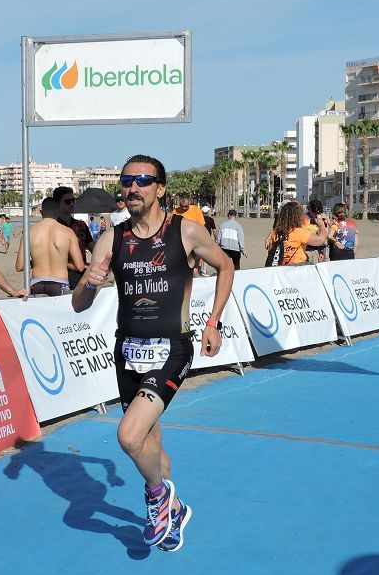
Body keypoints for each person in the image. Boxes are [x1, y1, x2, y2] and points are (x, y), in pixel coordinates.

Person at [72, 154, 234, 553]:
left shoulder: (187, 232)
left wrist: (213, 321)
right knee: (154, 452)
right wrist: (90, 284)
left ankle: (157, 498)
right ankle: (175, 508)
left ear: (160, 188)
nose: (133, 188)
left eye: (143, 181)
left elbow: (226, 267)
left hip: (171, 349)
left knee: (128, 436)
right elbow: (79, 304)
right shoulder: (112, 238)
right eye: (126, 181)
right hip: (126, 351)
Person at [16, 197, 86, 296]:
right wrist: (63, 262)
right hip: (59, 284)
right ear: (58, 211)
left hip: (36, 284)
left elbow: (20, 266)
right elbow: (80, 267)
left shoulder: (28, 232)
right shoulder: (68, 232)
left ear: (41, 212)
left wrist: (34, 262)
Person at [53, 186, 93, 288]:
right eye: (67, 201)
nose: (72, 204)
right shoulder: (52, 227)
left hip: (83, 275)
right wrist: (77, 266)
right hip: (60, 277)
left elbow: (92, 246)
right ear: (57, 204)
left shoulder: (81, 225)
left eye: (73, 200)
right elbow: (50, 258)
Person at [265, 201, 329, 265]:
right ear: (298, 216)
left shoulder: (275, 233)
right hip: (296, 266)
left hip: (280, 266)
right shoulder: (299, 232)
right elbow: (321, 240)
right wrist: (321, 225)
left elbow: (271, 251)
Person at [304, 199, 329, 263]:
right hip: (307, 249)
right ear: (309, 209)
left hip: (319, 249)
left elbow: (325, 237)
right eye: (314, 212)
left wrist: (321, 252)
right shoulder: (304, 218)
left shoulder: (323, 218)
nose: (317, 214)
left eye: (319, 212)